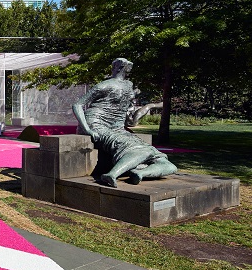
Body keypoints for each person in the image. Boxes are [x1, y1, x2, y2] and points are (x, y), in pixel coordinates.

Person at [72, 58, 177, 187]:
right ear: (121, 67)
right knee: (142, 151)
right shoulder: (104, 85)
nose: (130, 69)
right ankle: (111, 175)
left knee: (167, 164)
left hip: (117, 128)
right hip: (97, 124)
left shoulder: (128, 85)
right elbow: (77, 105)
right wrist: (87, 130)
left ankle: (139, 173)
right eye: (128, 66)